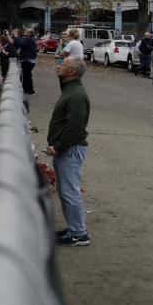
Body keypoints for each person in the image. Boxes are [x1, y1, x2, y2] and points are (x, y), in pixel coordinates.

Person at [46, 57, 91, 247]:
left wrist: (58, 146)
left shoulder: (76, 95)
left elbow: (74, 127)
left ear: (72, 72)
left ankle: (79, 234)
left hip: (70, 149)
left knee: (70, 192)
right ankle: (74, 229)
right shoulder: (71, 89)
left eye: (63, 65)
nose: (58, 66)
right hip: (68, 148)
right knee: (65, 191)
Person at [15, 28, 38, 95]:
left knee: (27, 76)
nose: (25, 32)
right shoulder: (30, 39)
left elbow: (20, 43)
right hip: (29, 60)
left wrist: (17, 37)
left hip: (28, 60)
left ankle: (30, 90)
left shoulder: (28, 39)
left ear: (30, 33)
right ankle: (26, 90)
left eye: (26, 31)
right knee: (26, 76)